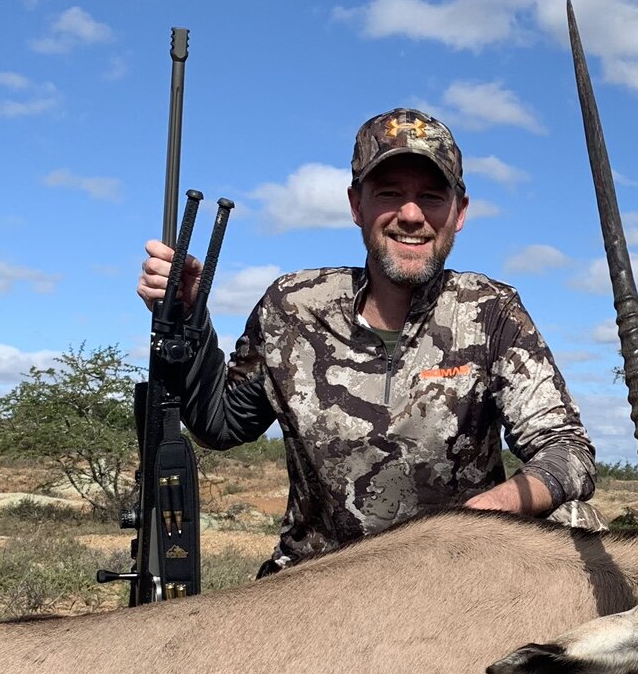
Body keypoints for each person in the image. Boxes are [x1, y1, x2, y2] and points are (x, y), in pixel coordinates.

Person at [136, 107, 600, 571]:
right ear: (357, 204)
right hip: (320, 583)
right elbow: (221, 425)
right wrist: (188, 319)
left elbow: (567, 451)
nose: (412, 215)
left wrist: (480, 518)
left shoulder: (490, 310)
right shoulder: (292, 304)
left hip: (455, 576)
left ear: (459, 212)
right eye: (390, 194)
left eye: (432, 196)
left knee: (575, 521)